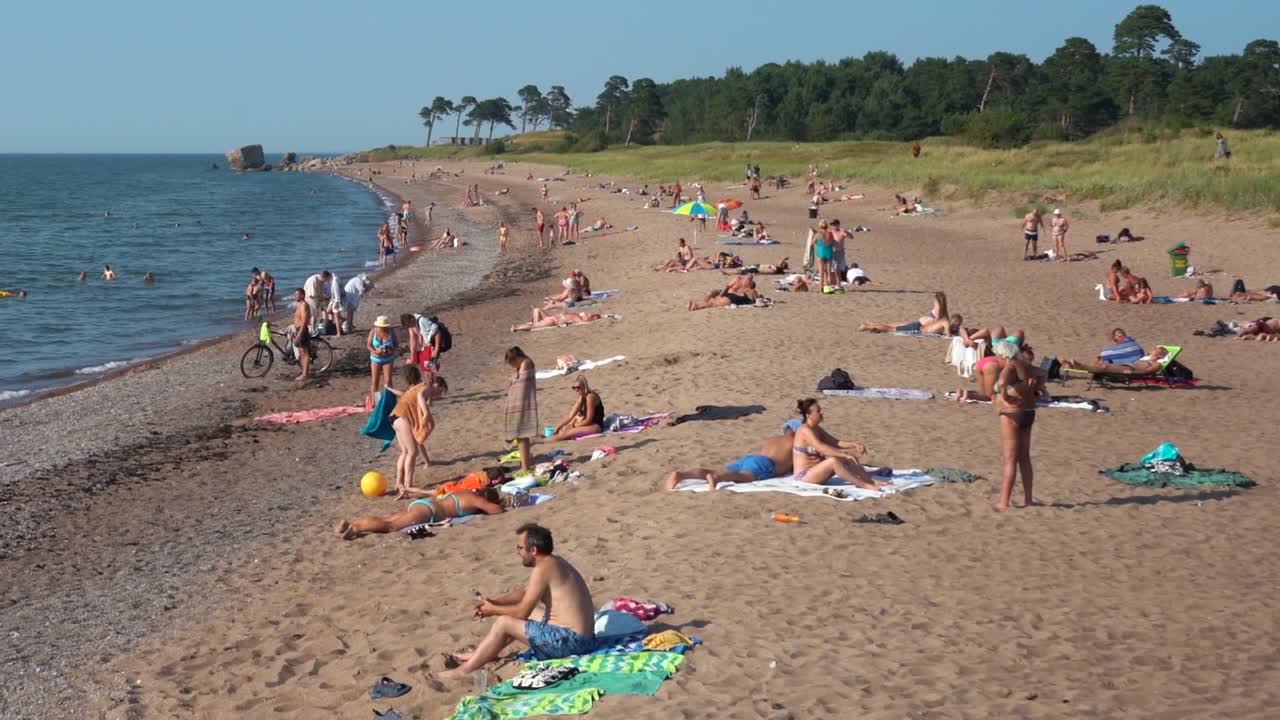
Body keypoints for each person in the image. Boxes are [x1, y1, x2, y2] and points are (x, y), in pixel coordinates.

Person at [437, 524, 595, 679]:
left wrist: (493, 610)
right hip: (583, 638)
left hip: (571, 643)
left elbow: (521, 612)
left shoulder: (542, 570)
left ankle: (464, 670)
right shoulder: (554, 562)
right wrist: (495, 602)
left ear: (533, 550)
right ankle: (484, 654)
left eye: (520, 548)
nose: (517, 552)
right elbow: (526, 592)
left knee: (504, 623)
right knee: (525, 615)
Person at [662, 419, 800, 491]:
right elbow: (796, 466)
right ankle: (717, 478)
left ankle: (682, 475)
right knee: (742, 477)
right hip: (766, 464)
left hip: (750, 458)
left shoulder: (773, 439)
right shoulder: (795, 442)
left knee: (715, 470)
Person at [791, 399, 890, 490]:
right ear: (808, 415)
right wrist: (844, 454)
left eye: (821, 410)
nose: (822, 412)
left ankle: (869, 480)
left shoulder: (816, 429)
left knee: (847, 458)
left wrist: (854, 445)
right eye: (818, 411)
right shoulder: (805, 430)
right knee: (833, 460)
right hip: (804, 476)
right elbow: (821, 448)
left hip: (816, 472)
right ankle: (863, 484)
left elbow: (835, 442)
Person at [335, 487, 504, 540]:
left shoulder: (464, 492)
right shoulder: (475, 499)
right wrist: (494, 505)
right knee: (391, 526)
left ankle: (352, 524)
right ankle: (354, 529)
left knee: (386, 519)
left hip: (423, 505)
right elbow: (495, 510)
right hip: (428, 512)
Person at [994, 341, 1041, 510]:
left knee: (1010, 459)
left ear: (1003, 354)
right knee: (1025, 458)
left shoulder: (1010, 365)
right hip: (1028, 411)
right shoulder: (1026, 366)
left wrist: (1005, 395)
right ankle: (1029, 499)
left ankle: (1003, 502)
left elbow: (1001, 383)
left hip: (1011, 412)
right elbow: (1042, 376)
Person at [388, 366, 449, 495]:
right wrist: (426, 414)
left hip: (393, 417)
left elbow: (413, 399)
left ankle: (398, 483)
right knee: (412, 452)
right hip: (401, 417)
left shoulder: (418, 387)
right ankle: (408, 485)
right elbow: (421, 396)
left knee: (405, 451)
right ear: (437, 385)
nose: (439, 395)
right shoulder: (426, 386)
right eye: (440, 391)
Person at [533, 375, 604, 444]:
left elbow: (588, 420)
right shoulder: (582, 398)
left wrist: (573, 426)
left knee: (566, 433)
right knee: (563, 430)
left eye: (578, 388)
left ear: (584, 387)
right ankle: (546, 438)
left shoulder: (590, 397)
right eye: (574, 388)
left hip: (595, 426)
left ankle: (541, 441)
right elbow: (570, 415)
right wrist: (558, 427)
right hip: (587, 423)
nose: (576, 390)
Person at [859, 292, 960, 335]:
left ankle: (870, 325)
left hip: (918, 324)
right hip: (918, 325)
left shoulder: (941, 311)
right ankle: (867, 326)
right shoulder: (943, 313)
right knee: (891, 328)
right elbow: (941, 324)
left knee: (891, 326)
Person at [504, 347, 538, 473]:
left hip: (523, 403)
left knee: (522, 434)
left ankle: (525, 466)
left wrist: (514, 379)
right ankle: (525, 463)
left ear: (517, 358)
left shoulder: (526, 363)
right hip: (522, 402)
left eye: (512, 362)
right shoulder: (521, 366)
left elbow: (520, 383)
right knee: (520, 436)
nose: (513, 366)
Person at [1060, 345, 1169, 375]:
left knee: (1104, 367)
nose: (1153, 350)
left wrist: (1134, 372)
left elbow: (1147, 372)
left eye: (1156, 350)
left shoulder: (1157, 364)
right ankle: (1073, 366)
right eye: (1155, 348)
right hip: (1125, 365)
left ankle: (1077, 365)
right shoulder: (1144, 358)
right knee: (1102, 364)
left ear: (1160, 355)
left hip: (1129, 369)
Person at [367, 315, 398, 400]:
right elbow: (369, 346)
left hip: (388, 358)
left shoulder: (391, 331)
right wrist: (375, 352)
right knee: (375, 381)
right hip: (376, 358)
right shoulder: (373, 331)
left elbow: (396, 344)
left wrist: (391, 350)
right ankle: (376, 402)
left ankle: (389, 401)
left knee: (388, 381)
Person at [687, 276, 758, 310]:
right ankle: (697, 305)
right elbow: (756, 300)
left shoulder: (749, 290)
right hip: (730, 296)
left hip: (732, 297)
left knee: (714, 303)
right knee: (713, 300)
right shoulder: (751, 291)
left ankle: (696, 305)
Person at [511, 308, 604, 332]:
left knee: (536, 313)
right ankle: (517, 328)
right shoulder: (577, 316)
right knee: (534, 325)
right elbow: (584, 322)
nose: (586, 315)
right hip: (552, 320)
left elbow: (584, 321)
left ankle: (519, 327)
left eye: (588, 315)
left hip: (552, 319)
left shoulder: (576, 316)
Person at [289, 288, 313, 382]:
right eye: (295, 295)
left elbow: (304, 322)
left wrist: (299, 334)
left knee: (305, 353)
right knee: (301, 353)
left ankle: (305, 374)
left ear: (302, 295)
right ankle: (303, 372)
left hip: (302, 331)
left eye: (297, 294)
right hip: (298, 330)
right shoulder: (299, 304)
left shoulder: (304, 305)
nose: (295, 296)